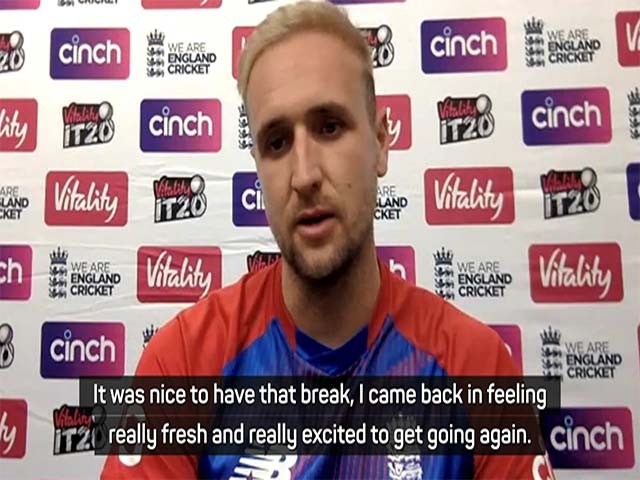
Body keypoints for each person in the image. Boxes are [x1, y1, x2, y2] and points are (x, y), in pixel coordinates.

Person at [101, 1, 556, 478]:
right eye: (277, 142)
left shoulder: (476, 368)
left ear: (381, 142)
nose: (304, 176)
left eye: (330, 127)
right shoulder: (183, 364)